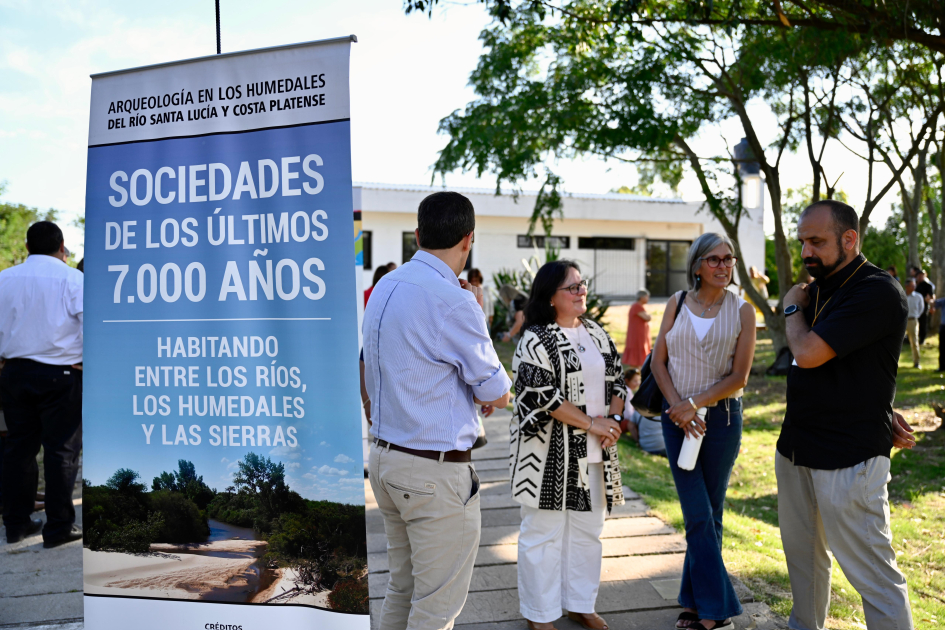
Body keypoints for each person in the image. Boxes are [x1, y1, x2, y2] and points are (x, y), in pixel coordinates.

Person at [362, 191, 512, 630]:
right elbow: (498, 392)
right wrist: (475, 314)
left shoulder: (386, 285)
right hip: (433, 471)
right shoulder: (456, 301)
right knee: (435, 609)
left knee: (402, 590)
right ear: (468, 239)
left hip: (386, 458)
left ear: (417, 234)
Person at [777, 200, 916, 630]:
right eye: (802, 242)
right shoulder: (818, 289)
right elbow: (862, 366)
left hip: (850, 456)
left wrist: (788, 308)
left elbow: (808, 352)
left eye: (816, 242)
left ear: (850, 239)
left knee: (874, 577)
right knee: (804, 570)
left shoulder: (876, 291)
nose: (806, 253)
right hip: (796, 449)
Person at [509, 260, 626, 630]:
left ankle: (580, 604)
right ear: (550, 297)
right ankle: (539, 615)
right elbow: (544, 396)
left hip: (595, 454)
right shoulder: (535, 339)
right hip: (546, 457)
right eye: (572, 287)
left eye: (582, 284)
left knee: (588, 533)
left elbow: (618, 381)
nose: (581, 292)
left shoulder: (597, 333)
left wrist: (615, 423)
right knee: (542, 535)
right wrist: (595, 423)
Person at [651, 232, 756, 630]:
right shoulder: (676, 303)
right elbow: (658, 362)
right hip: (677, 421)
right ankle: (716, 607)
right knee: (697, 514)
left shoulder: (743, 311)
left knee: (708, 514)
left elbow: (740, 376)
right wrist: (679, 406)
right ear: (697, 265)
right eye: (714, 260)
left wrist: (694, 404)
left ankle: (694, 604)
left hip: (721, 421)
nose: (723, 266)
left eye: (728, 259)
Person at [0, 221, 84, 547]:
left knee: (18, 449)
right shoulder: (74, 279)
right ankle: (59, 528)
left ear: (27, 247)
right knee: (61, 451)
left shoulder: (4, 279)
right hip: (61, 374)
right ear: (62, 247)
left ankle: (16, 525)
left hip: (14, 374)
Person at [620, 368, 666, 456]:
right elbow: (629, 414)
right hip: (622, 422)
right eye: (635, 381)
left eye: (638, 381)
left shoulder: (640, 403)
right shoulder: (628, 392)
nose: (637, 383)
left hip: (644, 445)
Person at [622, 289, 651, 368]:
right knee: (636, 357)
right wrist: (650, 316)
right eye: (647, 297)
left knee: (639, 359)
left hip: (639, 335)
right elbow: (647, 317)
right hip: (637, 336)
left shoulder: (638, 306)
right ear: (642, 297)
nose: (648, 299)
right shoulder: (637, 306)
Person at [904, 279, 924, 368]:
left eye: (914, 285)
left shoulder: (918, 296)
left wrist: (915, 316)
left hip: (913, 320)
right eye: (912, 285)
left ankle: (917, 362)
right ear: (906, 286)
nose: (914, 287)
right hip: (902, 321)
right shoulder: (901, 294)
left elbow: (921, 308)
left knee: (914, 341)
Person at [915, 269, 935, 345]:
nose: (920, 277)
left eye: (922, 275)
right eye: (919, 275)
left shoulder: (928, 286)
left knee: (923, 323)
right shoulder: (914, 285)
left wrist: (932, 305)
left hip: (924, 307)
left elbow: (931, 297)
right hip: (914, 307)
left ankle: (922, 339)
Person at [933, 295, 945, 372]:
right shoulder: (944, 300)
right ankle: (942, 366)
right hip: (944, 326)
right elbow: (934, 303)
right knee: (942, 347)